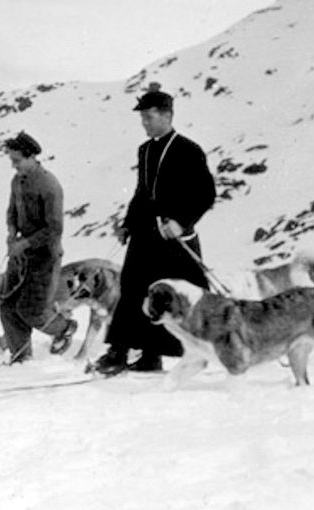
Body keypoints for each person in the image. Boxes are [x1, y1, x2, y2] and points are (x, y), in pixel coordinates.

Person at [92, 83, 217, 376]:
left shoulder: (189, 149)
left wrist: (181, 221)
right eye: (142, 118)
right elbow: (142, 192)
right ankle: (119, 351)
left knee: (178, 294)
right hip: (146, 234)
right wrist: (126, 225)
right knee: (133, 287)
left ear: (166, 116)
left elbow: (206, 194)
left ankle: (161, 352)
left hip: (174, 238)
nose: (144, 124)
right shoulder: (145, 150)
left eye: (148, 117)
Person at [0, 132, 68, 364]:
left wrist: (25, 243)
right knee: (8, 306)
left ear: (31, 157)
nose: (14, 166)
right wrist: (11, 234)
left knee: (31, 311)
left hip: (44, 257)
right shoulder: (17, 181)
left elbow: (54, 229)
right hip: (20, 255)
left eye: (17, 161)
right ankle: (21, 357)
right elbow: (11, 213)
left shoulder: (49, 185)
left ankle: (64, 328)